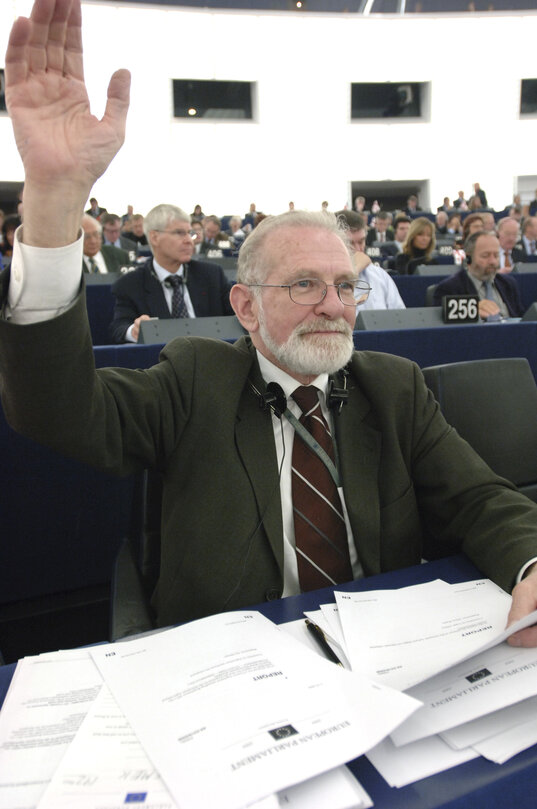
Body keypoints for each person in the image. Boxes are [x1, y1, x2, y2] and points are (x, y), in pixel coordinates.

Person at [2, 0, 537, 643]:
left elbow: (480, 499)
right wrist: (57, 200)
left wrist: (530, 562)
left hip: (381, 659)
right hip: (231, 670)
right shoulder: (193, 380)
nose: (334, 305)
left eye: (345, 286)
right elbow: (55, 411)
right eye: (305, 284)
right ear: (246, 307)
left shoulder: (395, 389)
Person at [109, 204, 234, 343]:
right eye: (180, 233)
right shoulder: (129, 284)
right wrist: (134, 330)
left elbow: (237, 315)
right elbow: (118, 328)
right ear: (155, 237)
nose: (189, 241)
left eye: (189, 233)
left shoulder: (212, 275)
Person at [433, 231, 524, 320]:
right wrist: (472, 309)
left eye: (496, 255)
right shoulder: (450, 288)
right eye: (485, 256)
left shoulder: (508, 284)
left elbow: (521, 319)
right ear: (469, 258)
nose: (492, 261)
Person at [335, 210, 405, 311]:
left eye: (361, 241)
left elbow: (400, 318)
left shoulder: (380, 275)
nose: (358, 249)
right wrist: (353, 271)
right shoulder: (322, 279)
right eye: (349, 243)